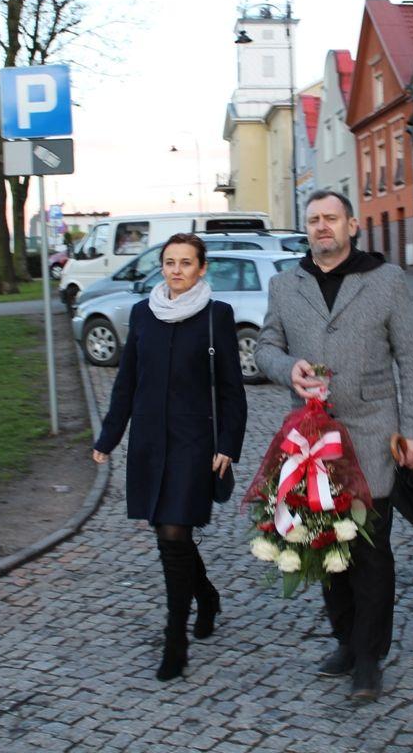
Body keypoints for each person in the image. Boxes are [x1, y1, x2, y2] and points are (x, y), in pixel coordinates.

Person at [255, 189, 413, 703]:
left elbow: (412, 359)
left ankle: (370, 658)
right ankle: (346, 642)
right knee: (326, 542)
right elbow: (266, 346)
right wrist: (288, 368)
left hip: (374, 431)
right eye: (313, 220)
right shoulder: (286, 285)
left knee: (371, 549)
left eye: (331, 218)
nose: (322, 227)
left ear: (352, 224)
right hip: (313, 440)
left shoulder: (387, 279)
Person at [92, 233, 247, 681]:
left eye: (185, 262)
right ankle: (208, 596)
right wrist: (108, 437)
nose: (176, 270)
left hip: (194, 442)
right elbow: (127, 383)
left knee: (175, 533)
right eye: (169, 262)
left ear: (201, 269)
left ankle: (175, 640)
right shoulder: (143, 314)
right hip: (149, 441)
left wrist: (227, 446)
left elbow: (231, 391)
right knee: (169, 535)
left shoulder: (218, 317)